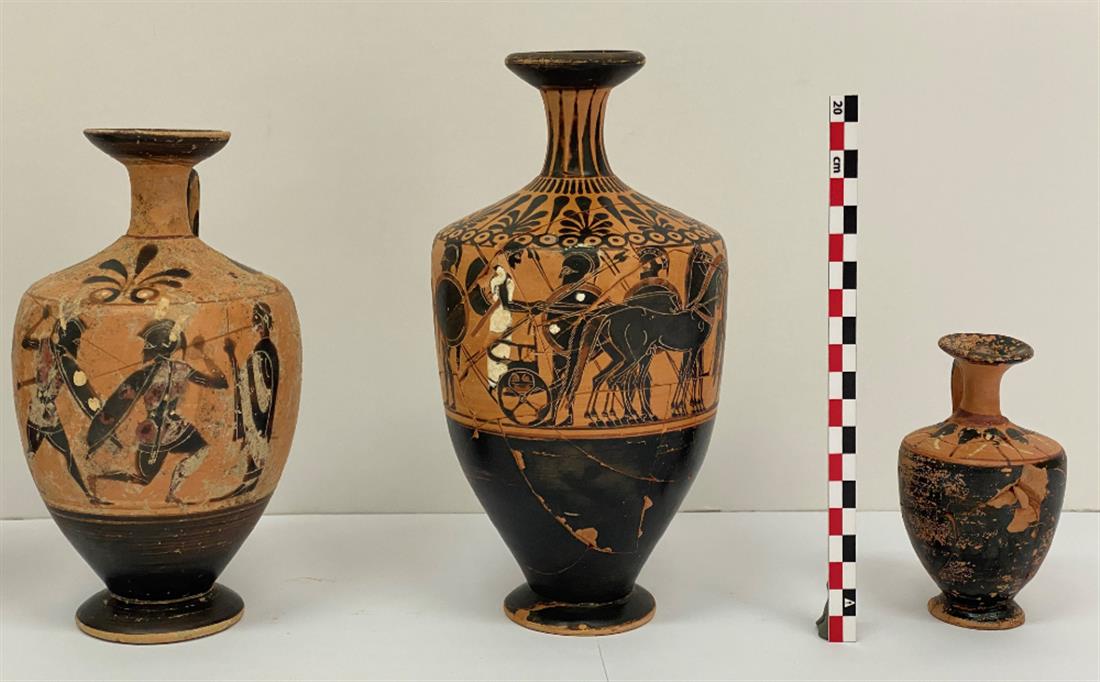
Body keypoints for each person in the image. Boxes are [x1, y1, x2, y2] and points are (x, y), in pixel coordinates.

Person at [88, 319, 228, 504]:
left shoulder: (155, 373)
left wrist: (204, 355)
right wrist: (204, 356)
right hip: (154, 432)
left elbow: (220, 384)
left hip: (173, 428)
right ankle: (96, 476)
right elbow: (220, 383)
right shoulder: (167, 371)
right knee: (143, 479)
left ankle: (171, 494)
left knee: (200, 449)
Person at [215, 303, 280, 500]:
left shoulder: (264, 351)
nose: (254, 326)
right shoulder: (263, 350)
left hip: (259, 410)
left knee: (256, 443)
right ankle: (248, 482)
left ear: (263, 322)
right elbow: (244, 381)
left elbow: (251, 385)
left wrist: (231, 355)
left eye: (256, 321)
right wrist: (231, 355)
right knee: (252, 446)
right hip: (257, 410)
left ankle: (250, 482)